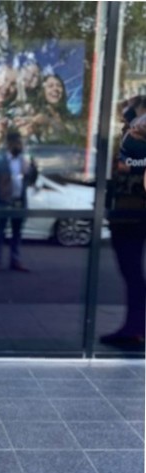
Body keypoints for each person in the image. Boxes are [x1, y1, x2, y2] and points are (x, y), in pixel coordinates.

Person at [100, 110, 146, 349]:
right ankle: (134, 327)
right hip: (124, 215)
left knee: (133, 274)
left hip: (132, 216)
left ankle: (135, 328)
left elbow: (126, 170)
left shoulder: (135, 145)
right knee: (132, 274)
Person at [0, 130, 38, 273]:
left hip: (19, 201)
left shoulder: (23, 161)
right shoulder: (0, 161)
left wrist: (34, 169)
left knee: (17, 232)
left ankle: (15, 260)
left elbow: (31, 180)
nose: (20, 146)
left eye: (21, 143)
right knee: (0, 232)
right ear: (10, 144)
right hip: (4, 201)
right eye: (17, 143)